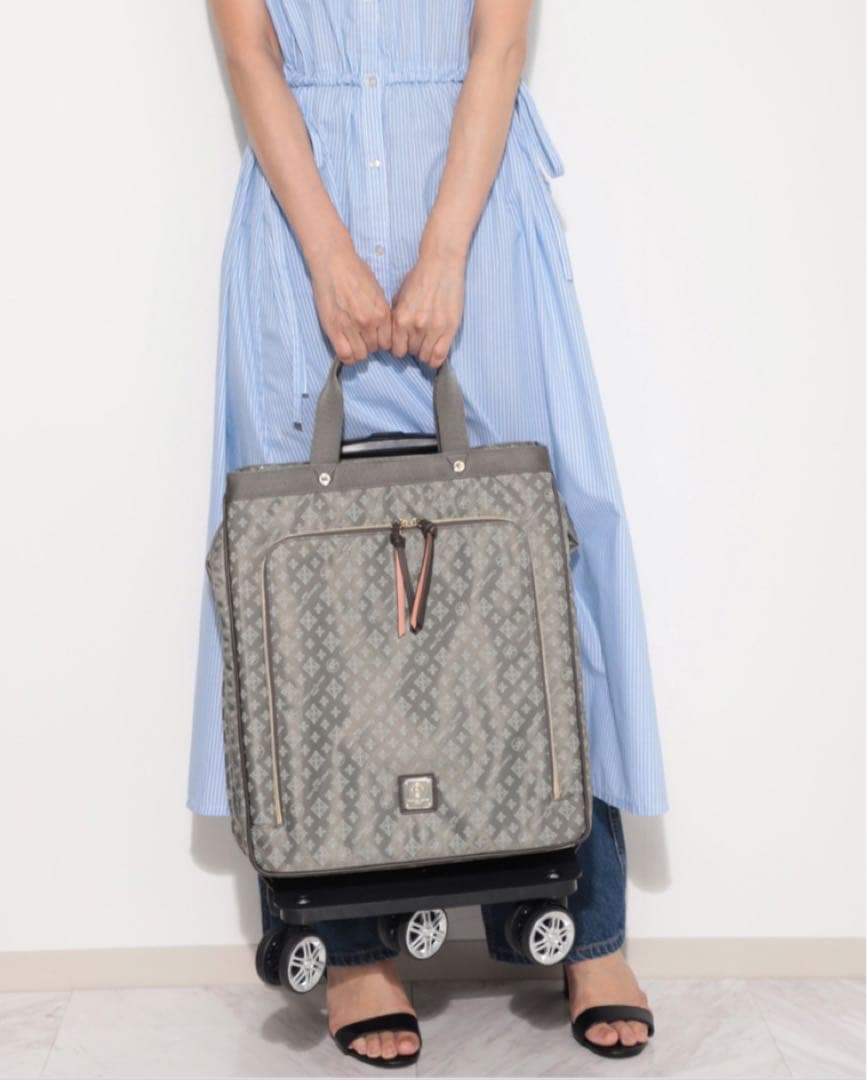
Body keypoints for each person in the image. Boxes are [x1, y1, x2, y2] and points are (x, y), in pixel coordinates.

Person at [189, 0, 668, 1067]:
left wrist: (445, 252)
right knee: (302, 579)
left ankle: (585, 926)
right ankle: (353, 947)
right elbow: (249, 46)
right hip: (299, 218)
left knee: (542, 553)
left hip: (477, 209)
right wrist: (327, 254)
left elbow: (499, 39)